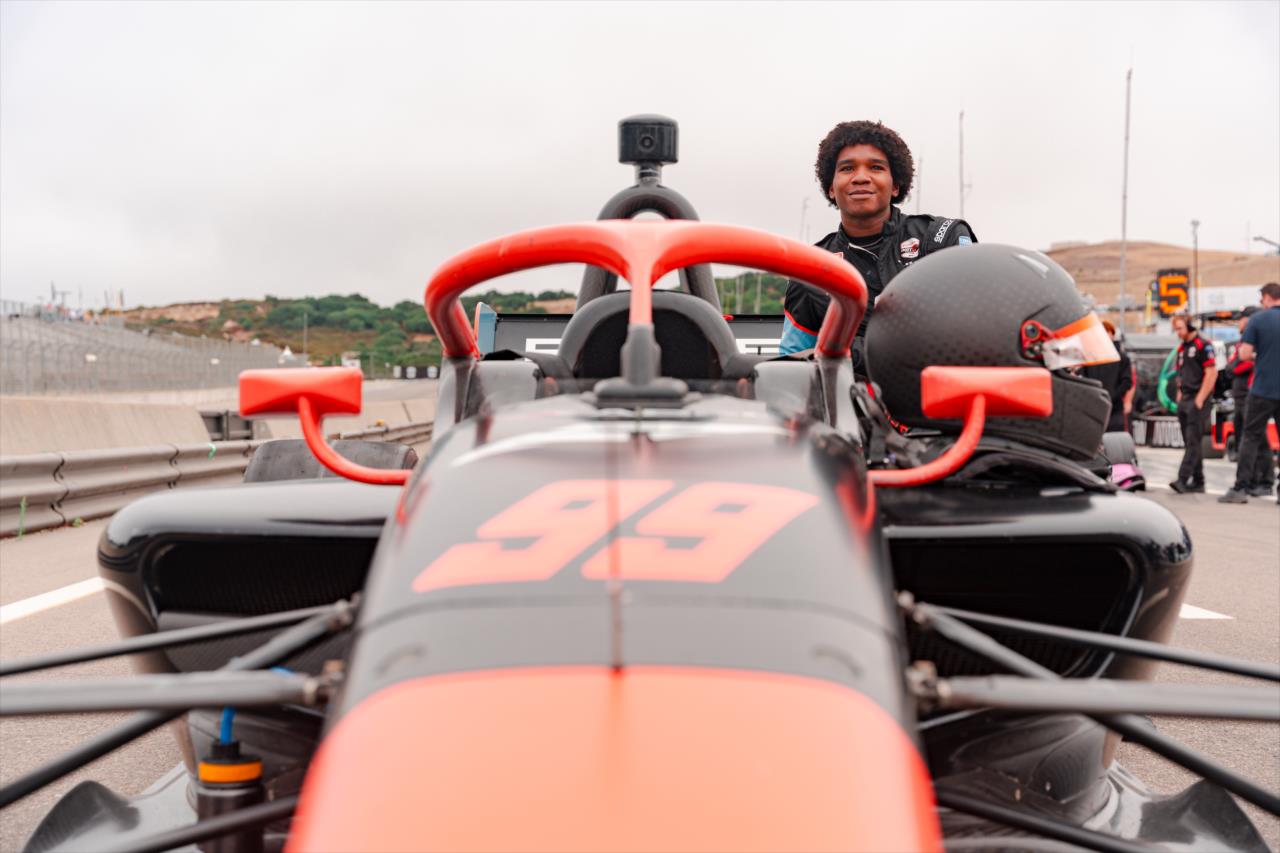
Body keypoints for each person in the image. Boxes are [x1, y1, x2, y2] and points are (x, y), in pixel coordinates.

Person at [779, 121, 975, 364]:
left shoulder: (942, 238)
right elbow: (791, 363)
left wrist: (850, 352)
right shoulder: (809, 269)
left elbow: (966, 339)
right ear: (831, 188)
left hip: (929, 386)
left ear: (896, 186)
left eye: (876, 167)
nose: (861, 178)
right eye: (847, 169)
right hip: (844, 389)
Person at [1220, 282, 1280, 503]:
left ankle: (1241, 487)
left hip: (1262, 389)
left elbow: (1244, 354)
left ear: (1266, 297)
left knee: (1251, 437)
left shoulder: (1258, 319)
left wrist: (1260, 355)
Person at [1168, 313, 1217, 493]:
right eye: (1176, 329)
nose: (1178, 332)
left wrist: (1200, 399)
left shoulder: (1203, 345)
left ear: (1190, 326)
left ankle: (1182, 479)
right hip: (1185, 399)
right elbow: (1180, 373)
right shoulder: (1182, 348)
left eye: (1180, 328)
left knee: (1192, 441)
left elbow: (1212, 373)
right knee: (1190, 442)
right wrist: (1180, 393)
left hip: (1198, 399)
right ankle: (1198, 481)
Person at [1082, 319, 1134, 432]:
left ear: (1112, 335)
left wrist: (1113, 396)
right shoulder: (1089, 357)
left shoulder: (1122, 358)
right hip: (1094, 406)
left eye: (1107, 332)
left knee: (1113, 436)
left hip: (1113, 408)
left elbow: (1127, 382)